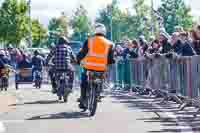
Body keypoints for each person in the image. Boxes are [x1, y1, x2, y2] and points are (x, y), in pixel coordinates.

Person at [77, 23, 115, 110]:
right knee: (102, 79)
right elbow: (110, 59)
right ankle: (99, 92)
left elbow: (82, 53)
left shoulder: (89, 40)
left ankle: (83, 98)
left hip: (89, 67)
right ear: (104, 31)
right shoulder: (110, 43)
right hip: (101, 68)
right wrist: (111, 62)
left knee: (83, 81)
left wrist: (78, 60)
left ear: (95, 31)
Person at [46, 36, 76, 101]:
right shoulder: (69, 48)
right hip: (67, 67)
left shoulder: (55, 48)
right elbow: (73, 57)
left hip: (57, 67)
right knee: (73, 72)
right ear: (65, 42)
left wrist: (47, 62)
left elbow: (49, 56)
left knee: (50, 72)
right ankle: (70, 87)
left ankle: (54, 87)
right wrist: (75, 62)